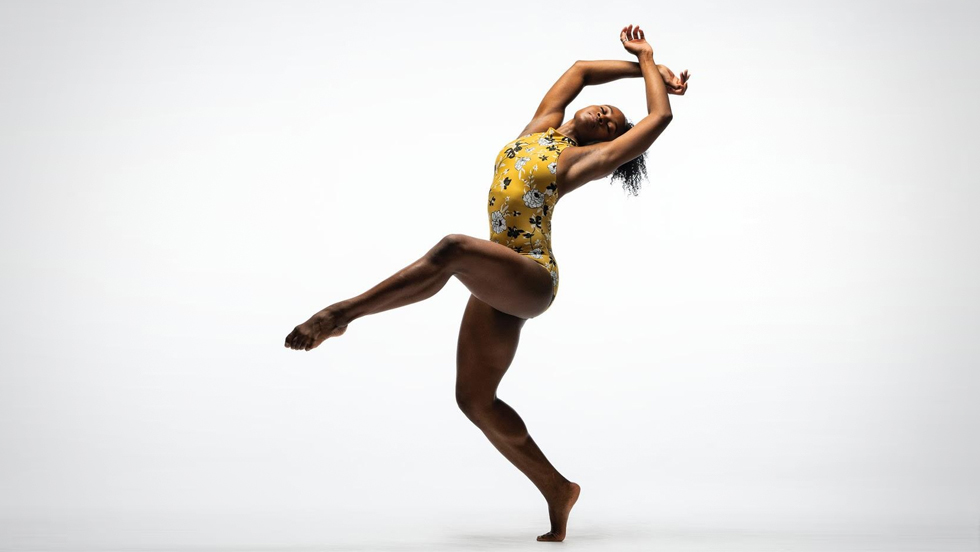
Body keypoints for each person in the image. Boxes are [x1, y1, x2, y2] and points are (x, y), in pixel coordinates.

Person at [285, 24, 689, 542]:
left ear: (607, 145)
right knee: (475, 400)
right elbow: (582, 72)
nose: (605, 113)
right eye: (607, 109)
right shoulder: (537, 130)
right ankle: (558, 489)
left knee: (454, 248)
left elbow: (659, 117)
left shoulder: (580, 163)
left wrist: (653, 62)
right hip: (497, 275)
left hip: (531, 276)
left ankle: (339, 315)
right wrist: (642, 68)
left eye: (612, 124)